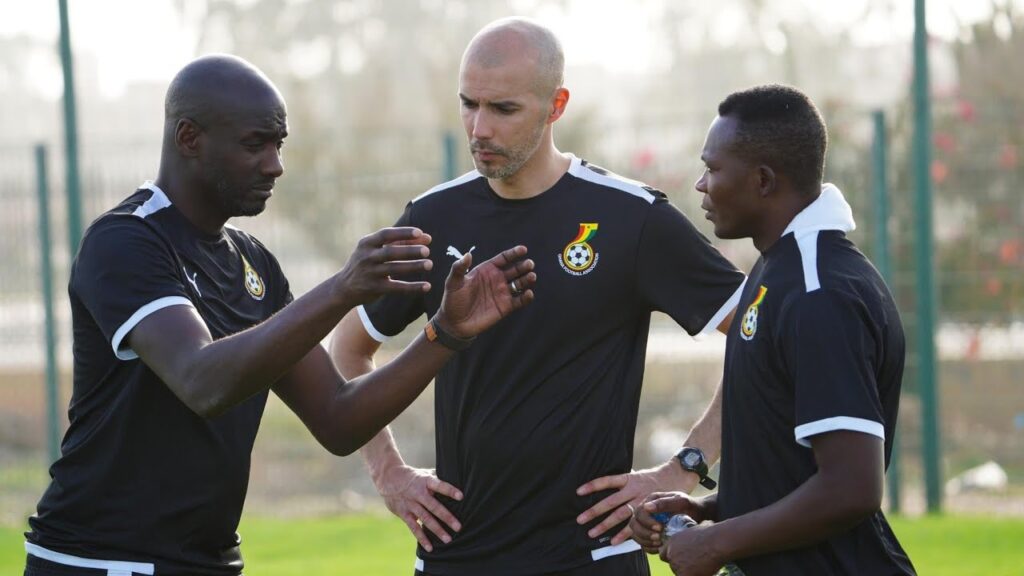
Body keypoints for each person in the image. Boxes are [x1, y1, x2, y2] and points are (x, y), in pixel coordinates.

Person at [22, 54, 537, 576]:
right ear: (188, 138)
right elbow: (202, 381)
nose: (275, 165)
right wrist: (342, 290)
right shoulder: (127, 240)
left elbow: (338, 419)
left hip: (205, 562)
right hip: (100, 561)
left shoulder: (254, 263)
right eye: (255, 144)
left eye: (279, 144)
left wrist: (444, 335)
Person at [329, 17, 745, 576]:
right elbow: (348, 348)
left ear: (557, 105)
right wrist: (389, 474)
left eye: (503, 109)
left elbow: (760, 337)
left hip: (593, 554)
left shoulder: (631, 219)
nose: (480, 128)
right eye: (468, 104)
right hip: (457, 554)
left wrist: (685, 467)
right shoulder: (432, 218)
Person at [629, 85, 916, 575]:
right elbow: (788, 471)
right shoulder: (778, 270)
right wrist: (702, 510)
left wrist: (717, 543)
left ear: (762, 180)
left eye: (713, 168)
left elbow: (851, 488)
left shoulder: (820, 292)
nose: (701, 184)